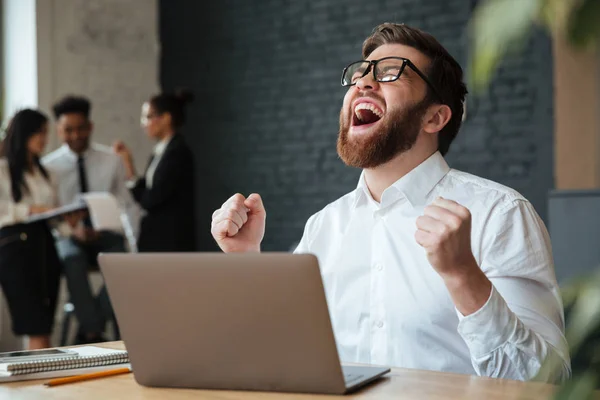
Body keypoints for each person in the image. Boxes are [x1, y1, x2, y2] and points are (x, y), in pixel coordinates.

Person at [210, 23, 571, 382]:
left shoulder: (500, 214)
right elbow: (287, 358)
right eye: (361, 73)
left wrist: (464, 277)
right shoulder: (323, 227)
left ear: (435, 117)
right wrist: (246, 261)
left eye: (390, 73)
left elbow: (548, 383)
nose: (364, 83)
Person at [42, 95, 139, 344]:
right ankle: (95, 331)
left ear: (90, 127)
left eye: (81, 128)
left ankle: (89, 330)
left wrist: (115, 227)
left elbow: (124, 202)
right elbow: (48, 213)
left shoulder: (110, 160)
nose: (75, 135)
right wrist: (72, 230)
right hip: (69, 236)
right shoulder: (49, 166)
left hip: (106, 234)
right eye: (68, 130)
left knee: (124, 265)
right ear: (58, 130)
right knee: (71, 259)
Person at [0, 109, 80, 349]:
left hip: (44, 246)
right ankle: (37, 383)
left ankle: (38, 381)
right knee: (33, 322)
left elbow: (52, 214)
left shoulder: (46, 172)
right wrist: (30, 210)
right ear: (24, 133)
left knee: (44, 324)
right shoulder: (3, 169)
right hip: (15, 247)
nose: (44, 139)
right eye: (39, 133)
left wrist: (69, 221)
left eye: (45, 133)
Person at [113, 89, 196, 252]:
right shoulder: (161, 151)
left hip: (170, 241)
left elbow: (152, 198)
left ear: (165, 118)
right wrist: (128, 162)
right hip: (159, 237)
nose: (143, 123)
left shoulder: (177, 153)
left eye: (148, 117)